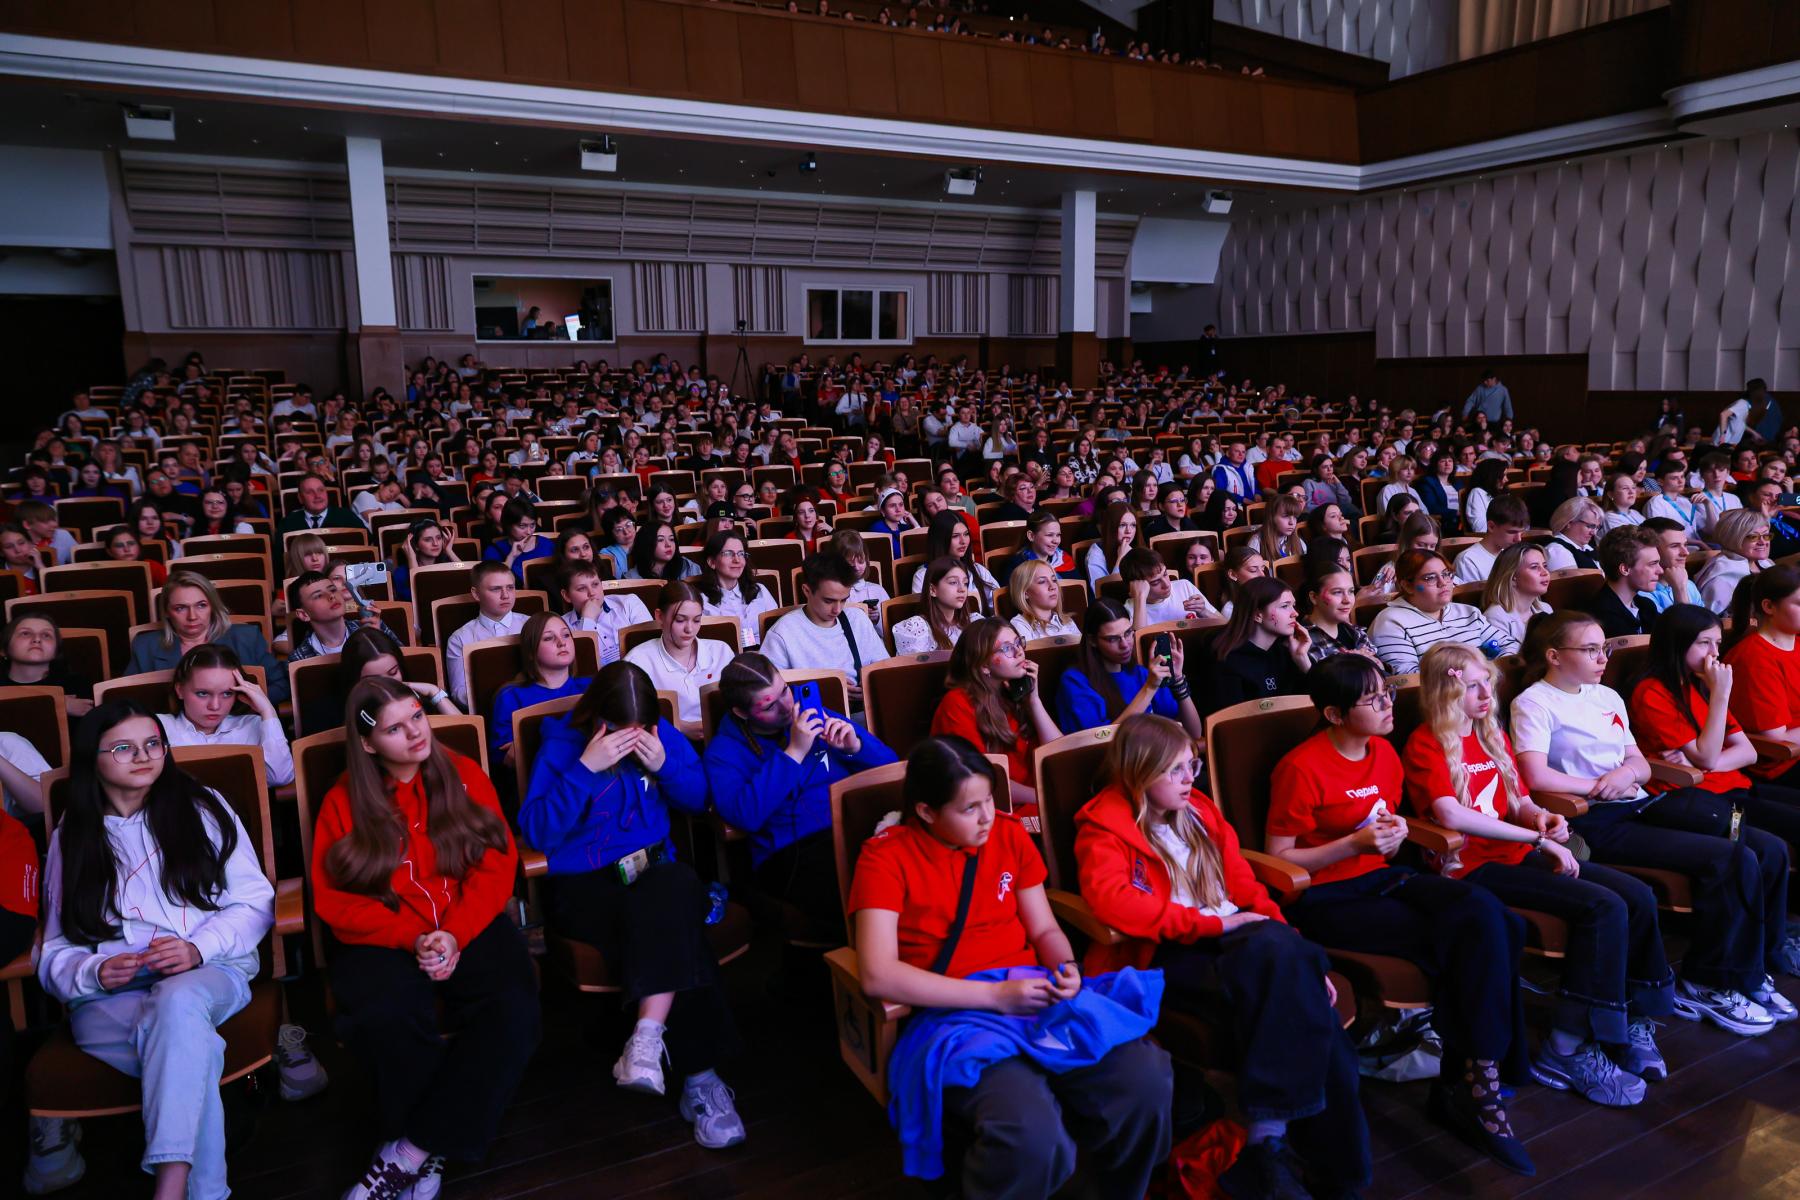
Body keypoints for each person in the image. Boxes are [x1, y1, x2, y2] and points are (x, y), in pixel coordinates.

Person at [848, 735, 1173, 1196]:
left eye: (989, 800)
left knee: (1146, 1081)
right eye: (969, 809)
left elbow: (1043, 929)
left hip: (1031, 994)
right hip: (956, 1013)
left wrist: (1066, 968)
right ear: (926, 812)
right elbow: (877, 973)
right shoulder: (885, 857)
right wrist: (995, 996)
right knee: (1032, 1139)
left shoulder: (1008, 833)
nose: (987, 817)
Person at [1075, 714, 1369, 1198]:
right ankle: (1296, 1157)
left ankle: (1308, 1169)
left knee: (1315, 1010)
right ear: (1139, 773)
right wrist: (1217, 925)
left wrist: (1299, 957)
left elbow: (1246, 889)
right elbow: (1114, 902)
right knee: (1310, 1006)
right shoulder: (1103, 824)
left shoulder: (1201, 811)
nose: (1188, 778)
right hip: (1173, 951)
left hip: (1244, 943)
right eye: (1174, 770)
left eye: (1191, 766)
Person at [1268, 654, 1532, 1174]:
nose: (1389, 705)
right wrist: (1352, 845)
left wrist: (1394, 835)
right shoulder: (1300, 767)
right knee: (1477, 933)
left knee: (1493, 915)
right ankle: (1480, 1083)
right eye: (1373, 700)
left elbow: (1383, 827)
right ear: (1334, 714)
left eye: (1387, 693)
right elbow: (1280, 860)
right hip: (1327, 898)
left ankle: (1472, 1075)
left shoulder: (1384, 752)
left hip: (1384, 877)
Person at [1406, 644, 1674, 1107]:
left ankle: (1631, 1019)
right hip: (1471, 868)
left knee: (1636, 894)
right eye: (1471, 687)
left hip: (1516, 851)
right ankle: (1567, 1047)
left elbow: (1518, 798)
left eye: (1487, 683)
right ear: (1443, 692)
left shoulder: (1489, 732)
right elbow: (1451, 814)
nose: (1485, 695)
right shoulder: (1426, 741)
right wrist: (1536, 840)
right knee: (1602, 906)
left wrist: (1540, 818)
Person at [1513, 612, 1791, 1037]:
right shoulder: (1533, 702)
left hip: (1641, 801)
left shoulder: (1606, 696)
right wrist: (1600, 786)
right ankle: (1708, 981)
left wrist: (1627, 774)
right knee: (1728, 857)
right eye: (1590, 650)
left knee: (1756, 847)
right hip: (1594, 816)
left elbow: (1639, 764)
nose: (1602, 658)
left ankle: (1747, 971)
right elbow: (1535, 776)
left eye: (1604, 648)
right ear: (1554, 656)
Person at [38, 701, 274, 1200]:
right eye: (124, 747)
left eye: (153, 744)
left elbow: (256, 901)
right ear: (93, 757)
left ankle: (171, 1187)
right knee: (189, 1047)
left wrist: (196, 948)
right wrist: (95, 970)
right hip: (110, 999)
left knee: (177, 1002)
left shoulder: (201, 807)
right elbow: (56, 951)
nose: (144, 756)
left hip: (208, 971)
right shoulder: (73, 835)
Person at [314, 677, 539, 1197]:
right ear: (368, 742)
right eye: (394, 728)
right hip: (387, 932)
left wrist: (454, 934)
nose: (416, 732)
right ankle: (429, 1147)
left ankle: (410, 1151)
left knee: (514, 1006)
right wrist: (414, 937)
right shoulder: (342, 800)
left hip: (465, 919)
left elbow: (496, 863)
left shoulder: (462, 773)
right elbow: (337, 901)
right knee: (387, 1013)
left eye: (416, 716)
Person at [521, 662, 745, 1145]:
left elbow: (697, 800)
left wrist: (665, 765)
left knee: (674, 887)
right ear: (597, 720)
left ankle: (646, 1040)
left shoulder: (660, 736)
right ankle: (701, 1079)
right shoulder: (563, 747)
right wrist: (585, 769)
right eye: (623, 730)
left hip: (655, 873)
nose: (634, 738)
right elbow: (538, 832)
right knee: (676, 927)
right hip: (586, 885)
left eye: (643, 728)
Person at [1637, 602, 1800, 966]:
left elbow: (1746, 752)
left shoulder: (1702, 685)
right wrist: (1720, 700)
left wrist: (1702, 759)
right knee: (1766, 848)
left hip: (1736, 787)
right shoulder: (1654, 692)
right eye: (1704, 643)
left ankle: (1777, 937)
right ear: (1677, 644)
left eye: (1717, 644)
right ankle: (1769, 949)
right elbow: (1710, 758)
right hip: (1706, 802)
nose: (1715, 654)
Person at [705, 653, 898, 933]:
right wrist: (794, 752)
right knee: (872, 891)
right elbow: (745, 817)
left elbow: (891, 765)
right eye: (769, 705)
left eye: (784, 690)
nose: (786, 706)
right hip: (791, 852)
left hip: (851, 829)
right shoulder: (723, 753)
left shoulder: (814, 714)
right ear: (741, 713)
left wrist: (855, 748)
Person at [929, 618, 1062, 823]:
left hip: (1034, 801)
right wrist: (1042, 797)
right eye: (1007, 648)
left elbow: (1059, 754)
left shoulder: (1014, 692)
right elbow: (979, 778)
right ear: (984, 665)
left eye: (1018, 643)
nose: (1019, 652)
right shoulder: (956, 704)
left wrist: (1034, 701)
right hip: (993, 810)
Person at [127, 572, 290, 705]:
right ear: (167, 612)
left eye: (201, 605)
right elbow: (128, 700)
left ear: (213, 606)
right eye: (180, 608)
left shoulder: (246, 637)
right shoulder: (144, 646)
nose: (192, 616)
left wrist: (243, 708)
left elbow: (281, 684)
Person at [1054, 598, 1204, 740]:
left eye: (1128, 633)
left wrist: (1178, 679)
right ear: (1092, 640)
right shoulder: (1074, 681)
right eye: (1113, 639)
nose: (1125, 644)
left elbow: (1194, 733)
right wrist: (1149, 688)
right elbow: (1101, 742)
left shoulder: (1141, 674)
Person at [762, 552, 891, 708]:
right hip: (812, 716)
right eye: (829, 601)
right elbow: (767, 694)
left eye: (843, 600)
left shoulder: (858, 619)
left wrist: (869, 686)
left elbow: (884, 671)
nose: (837, 609)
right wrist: (829, 692)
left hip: (862, 711)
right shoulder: (782, 633)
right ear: (807, 591)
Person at [161, 645, 295, 787]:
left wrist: (268, 711)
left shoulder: (253, 725)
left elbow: (280, 777)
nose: (215, 706)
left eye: (227, 693)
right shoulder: (159, 727)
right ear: (180, 690)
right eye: (202, 693)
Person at [1369, 550, 1517, 673]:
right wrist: (1474, 673)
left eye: (1446, 574)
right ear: (1407, 586)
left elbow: (1510, 645)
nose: (1443, 582)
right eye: (1430, 578)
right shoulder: (1390, 622)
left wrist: (1488, 673)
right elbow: (1409, 677)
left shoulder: (1469, 612)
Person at [623, 581, 734, 731]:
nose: (689, 629)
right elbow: (630, 718)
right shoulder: (637, 661)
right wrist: (681, 727)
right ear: (659, 616)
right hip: (666, 740)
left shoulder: (721, 651)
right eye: (680, 620)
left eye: (696, 620)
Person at [489, 613, 590, 767]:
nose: (562, 643)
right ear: (531, 652)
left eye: (566, 635)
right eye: (549, 638)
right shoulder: (511, 696)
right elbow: (503, 758)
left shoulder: (592, 686)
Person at [1205, 577, 1312, 714]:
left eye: (1293, 605)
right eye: (1285, 606)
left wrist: (1303, 661)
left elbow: (1318, 705)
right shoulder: (1228, 660)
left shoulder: (1289, 650)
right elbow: (1229, 719)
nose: (1295, 613)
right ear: (1257, 615)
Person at [444, 561, 531, 709]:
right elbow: (459, 694)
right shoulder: (460, 639)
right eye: (496, 589)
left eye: (510, 588)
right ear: (476, 594)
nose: (505, 595)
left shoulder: (531, 625)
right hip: (487, 710)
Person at [694, 529, 777, 651]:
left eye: (741, 554)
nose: (737, 560)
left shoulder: (760, 591)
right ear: (712, 562)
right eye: (728, 554)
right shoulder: (700, 601)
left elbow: (777, 631)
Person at [1, 612, 94, 717]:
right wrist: (56, 705)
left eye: (46, 635)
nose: (37, 639)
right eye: (25, 633)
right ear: (4, 650)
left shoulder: (77, 685)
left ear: (56, 651)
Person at [911, 512, 999, 610]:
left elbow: (996, 606)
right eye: (955, 536)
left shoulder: (978, 570)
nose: (963, 541)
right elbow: (925, 613)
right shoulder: (922, 576)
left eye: (966, 534)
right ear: (940, 540)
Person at [1586, 526, 1664, 638]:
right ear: (1625, 569)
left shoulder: (1647, 606)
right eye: (1652, 564)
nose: (1660, 570)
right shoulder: (1600, 616)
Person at [1695, 509, 1772, 613]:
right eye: (1753, 537)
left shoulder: (1766, 563)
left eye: (1766, 536)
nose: (1763, 542)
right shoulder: (1721, 578)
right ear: (1733, 538)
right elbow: (1712, 619)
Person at [891, 559, 974, 655]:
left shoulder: (973, 621)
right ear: (932, 590)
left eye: (965, 583)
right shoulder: (917, 629)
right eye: (953, 582)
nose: (962, 589)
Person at [1120, 547, 1219, 626]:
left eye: (1165, 574)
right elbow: (1139, 643)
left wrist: (1204, 611)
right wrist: (1140, 598)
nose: (1167, 584)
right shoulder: (1129, 609)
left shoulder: (1184, 586)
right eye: (1155, 582)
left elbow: (1224, 623)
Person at [1481, 542, 1554, 647]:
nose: (1545, 572)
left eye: (1545, 566)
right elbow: (1504, 657)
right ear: (1512, 576)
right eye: (1534, 567)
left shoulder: (1546, 609)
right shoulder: (1495, 617)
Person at [1300, 567, 1378, 664]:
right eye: (1337, 592)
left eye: (1351, 591)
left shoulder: (1356, 632)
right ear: (1314, 597)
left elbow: (1384, 670)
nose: (1347, 600)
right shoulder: (1302, 641)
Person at [1451, 494, 1529, 584]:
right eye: (1512, 532)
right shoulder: (1468, 561)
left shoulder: (1515, 554)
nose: (1519, 539)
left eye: (1521, 533)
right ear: (1491, 526)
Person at [1007, 559, 1079, 642]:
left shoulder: (1068, 621)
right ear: (1025, 593)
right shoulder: (1020, 624)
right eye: (1042, 582)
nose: (1052, 586)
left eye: (1054, 580)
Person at [1641, 517, 1705, 611]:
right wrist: (1679, 590)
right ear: (1653, 550)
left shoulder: (1688, 585)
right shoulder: (1642, 594)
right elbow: (1686, 621)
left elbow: (1704, 620)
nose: (1686, 553)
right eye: (1674, 546)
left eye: (1685, 545)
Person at [392, 517, 460, 604]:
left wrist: (449, 551)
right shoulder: (401, 573)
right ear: (415, 545)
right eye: (428, 540)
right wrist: (412, 558)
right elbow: (420, 597)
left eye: (439, 538)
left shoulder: (448, 566)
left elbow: (469, 581)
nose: (435, 543)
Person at [1085, 502, 1138, 591]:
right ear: (1111, 527)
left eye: (1133, 525)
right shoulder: (1095, 554)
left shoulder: (1136, 547)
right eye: (1122, 525)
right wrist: (1120, 558)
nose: (1129, 531)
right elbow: (1100, 592)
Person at [1543, 496, 1605, 572]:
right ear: (1569, 523)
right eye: (1590, 526)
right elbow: (1573, 580)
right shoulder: (1557, 550)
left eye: (1597, 527)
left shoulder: (1587, 548)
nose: (1594, 533)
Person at [1246, 494, 1305, 561]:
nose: (1292, 522)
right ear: (1271, 517)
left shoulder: (1299, 542)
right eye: (1285, 516)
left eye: (1295, 517)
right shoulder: (1256, 542)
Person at [1461, 459, 1508, 535]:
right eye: (1503, 475)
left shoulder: (1500, 493)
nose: (1506, 479)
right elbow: (1480, 529)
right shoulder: (1477, 493)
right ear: (1492, 476)